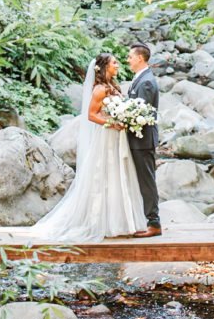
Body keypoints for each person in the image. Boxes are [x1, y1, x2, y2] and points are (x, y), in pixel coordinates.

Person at [30, 52, 147, 243]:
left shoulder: (112, 87)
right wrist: (112, 122)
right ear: (104, 67)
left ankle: (120, 222)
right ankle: (98, 222)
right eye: (114, 63)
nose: (117, 65)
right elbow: (92, 115)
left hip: (118, 137)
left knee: (119, 176)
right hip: (106, 137)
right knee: (104, 175)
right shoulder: (100, 89)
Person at [126, 43, 162, 237]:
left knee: (147, 181)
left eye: (130, 57)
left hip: (143, 141)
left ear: (140, 58)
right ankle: (143, 219)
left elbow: (142, 114)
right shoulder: (140, 78)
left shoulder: (146, 81)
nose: (128, 60)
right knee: (142, 180)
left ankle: (154, 223)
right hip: (137, 140)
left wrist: (120, 118)